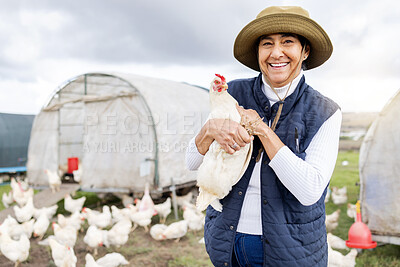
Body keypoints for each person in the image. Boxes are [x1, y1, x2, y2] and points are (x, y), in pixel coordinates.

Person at [185, 6, 341, 267]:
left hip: (290, 250)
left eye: (287, 42)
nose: (276, 53)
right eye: (267, 43)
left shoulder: (325, 111)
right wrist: (209, 130)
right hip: (228, 241)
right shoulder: (232, 93)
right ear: (258, 52)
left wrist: (263, 131)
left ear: (305, 51)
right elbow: (191, 162)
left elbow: (309, 191)